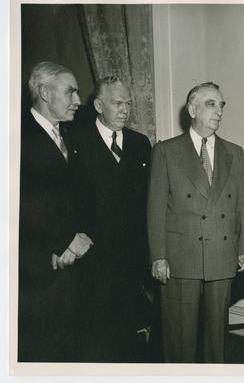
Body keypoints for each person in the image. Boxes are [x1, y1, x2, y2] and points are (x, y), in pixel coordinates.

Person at [147, 82, 244, 363]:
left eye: (221, 105)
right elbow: (155, 210)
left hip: (222, 255)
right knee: (179, 340)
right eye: (211, 104)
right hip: (181, 258)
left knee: (217, 340)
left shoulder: (235, 152)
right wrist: (158, 256)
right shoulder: (166, 151)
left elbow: (243, 204)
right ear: (192, 109)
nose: (219, 111)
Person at [68, 76, 152, 362]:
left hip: (132, 260)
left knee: (131, 337)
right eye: (117, 103)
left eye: (128, 103)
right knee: (97, 337)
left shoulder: (141, 145)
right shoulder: (75, 142)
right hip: (93, 261)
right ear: (99, 105)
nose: (125, 110)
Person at [18, 61, 93, 361]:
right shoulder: (17, 136)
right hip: (38, 268)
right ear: (45, 93)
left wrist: (79, 240)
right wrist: (63, 240)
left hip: (72, 263)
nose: (78, 100)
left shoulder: (72, 134)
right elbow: (22, 203)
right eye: (70, 92)